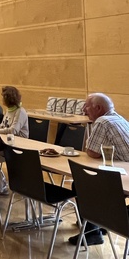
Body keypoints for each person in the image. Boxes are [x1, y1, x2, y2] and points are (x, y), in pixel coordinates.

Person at [68, 93, 129, 246]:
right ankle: (97, 224)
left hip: (122, 178)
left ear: (98, 108)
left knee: (80, 183)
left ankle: (91, 232)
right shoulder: (119, 118)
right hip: (124, 171)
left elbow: (92, 152)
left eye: (86, 106)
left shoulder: (102, 121)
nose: (83, 109)